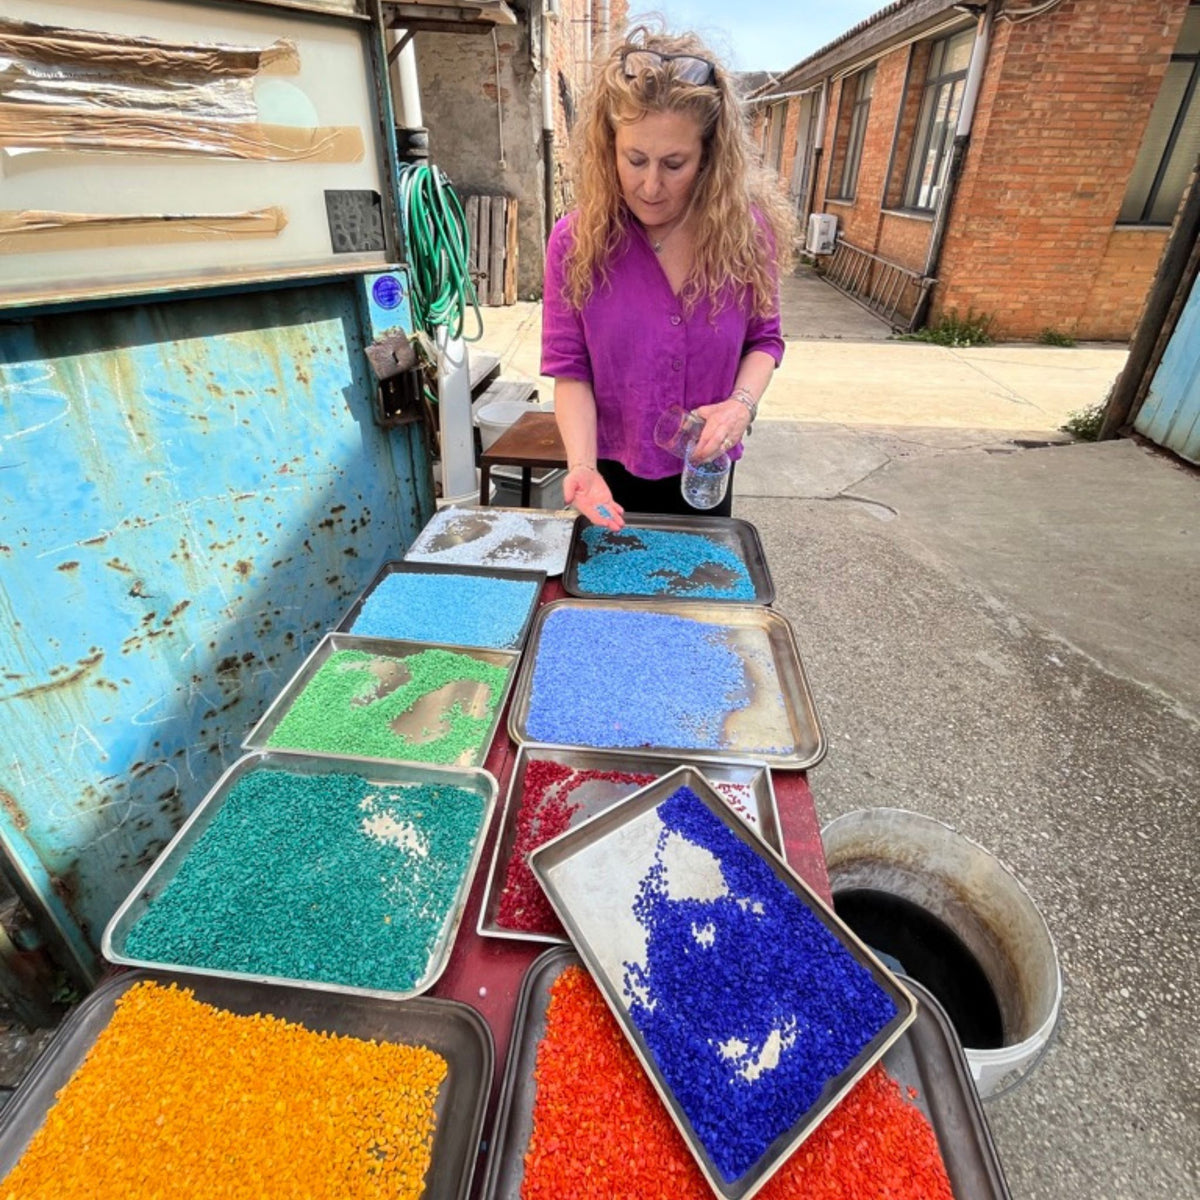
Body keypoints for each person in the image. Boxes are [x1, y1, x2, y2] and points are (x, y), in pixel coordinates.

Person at [541, 26, 790, 531]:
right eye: (635, 160)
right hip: (607, 477)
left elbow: (764, 340)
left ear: (709, 158)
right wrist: (582, 467)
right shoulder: (575, 242)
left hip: (705, 473)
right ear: (608, 147)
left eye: (675, 164)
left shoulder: (746, 233)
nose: (650, 186)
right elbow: (571, 370)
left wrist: (740, 407)